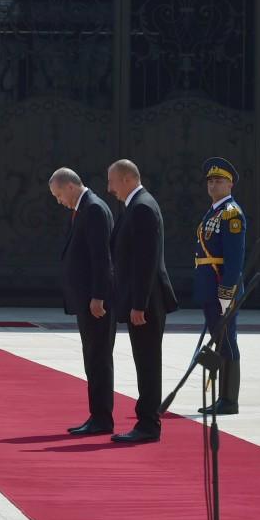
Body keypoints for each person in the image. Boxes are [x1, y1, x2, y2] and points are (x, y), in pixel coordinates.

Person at [107, 159, 178, 443]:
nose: (109, 188)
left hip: (147, 302)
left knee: (148, 362)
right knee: (144, 360)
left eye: (112, 181)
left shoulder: (142, 207)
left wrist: (139, 304)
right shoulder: (136, 206)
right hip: (142, 299)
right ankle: (146, 420)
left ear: (127, 179)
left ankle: (148, 424)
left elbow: (146, 262)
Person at [49, 168, 115, 435]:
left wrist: (98, 296)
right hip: (86, 299)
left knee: (98, 357)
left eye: (58, 195)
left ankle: (102, 418)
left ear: (70, 186)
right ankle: (97, 415)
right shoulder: (84, 209)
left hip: (94, 301)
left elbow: (102, 258)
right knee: (93, 357)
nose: (59, 201)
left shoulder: (94, 209)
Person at [194, 157, 246, 415]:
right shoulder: (214, 211)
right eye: (210, 181)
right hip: (210, 287)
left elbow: (234, 260)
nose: (213, 185)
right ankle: (223, 397)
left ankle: (229, 400)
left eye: (219, 181)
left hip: (222, 289)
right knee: (221, 341)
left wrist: (227, 292)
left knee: (226, 341)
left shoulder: (231, 213)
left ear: (230, 184)